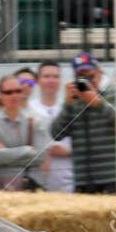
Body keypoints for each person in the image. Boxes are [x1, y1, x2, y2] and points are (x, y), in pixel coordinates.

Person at [51, 52, 116, 194]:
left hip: (114, 177)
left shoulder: (113, 92)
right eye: (81, 76)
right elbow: (56, 134)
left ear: (98, 72)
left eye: (90, 76)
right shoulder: (74, 100)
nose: (87, 80)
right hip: (83, 180)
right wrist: (67, 105)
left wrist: (97, 102)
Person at [0, 74, 51, 190]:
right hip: (3, 187)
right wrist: (27, 150)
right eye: (8, 92)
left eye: (17, 91)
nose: (14, 95)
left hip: (32, 186)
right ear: (0, 95)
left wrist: (6, 153)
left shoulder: (35, 121)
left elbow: (41, 156)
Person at [25, 60, 74, 192]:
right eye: (46, 76)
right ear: (38, 80)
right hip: (38, 180)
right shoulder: (28, 110)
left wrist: (68, 151)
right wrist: (48, 148)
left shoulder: (69, 108)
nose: (51, 80)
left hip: (69, 179)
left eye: (55, 76)